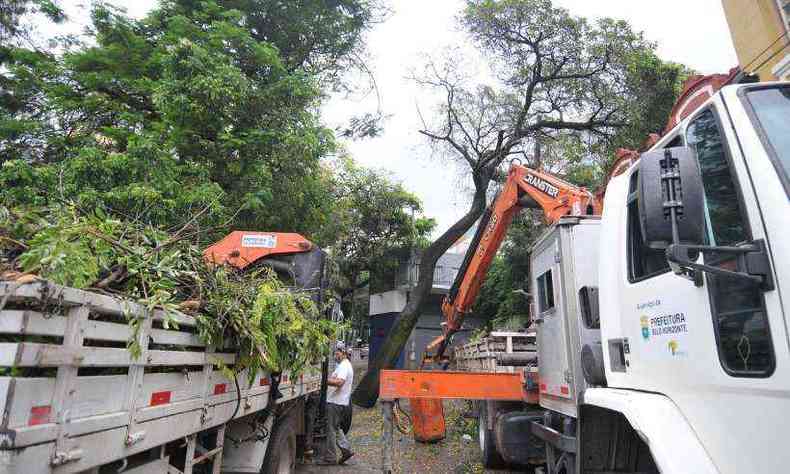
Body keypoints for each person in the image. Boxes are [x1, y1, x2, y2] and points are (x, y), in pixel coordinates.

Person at [320, 341, 355, 465]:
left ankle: (330, 458)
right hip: (338, 402)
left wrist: (323, 380)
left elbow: (340, 382)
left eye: (337, 353)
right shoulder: (342, 365)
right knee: (336, 427)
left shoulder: (345, 366)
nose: (335, 356)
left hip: (336, 403)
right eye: (335, 353)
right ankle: (346, 450)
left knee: (330, 429)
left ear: (343, 353)